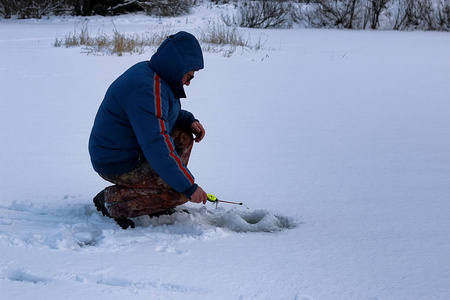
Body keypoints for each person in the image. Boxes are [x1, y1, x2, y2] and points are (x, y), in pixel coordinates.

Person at [88, 31, 207, 229]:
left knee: (183, 136)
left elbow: (160, 115)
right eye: (189, 77)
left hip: (128, 151)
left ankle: (155, 198)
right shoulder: (147, 89)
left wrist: (188, 120)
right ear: (178, 67)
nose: (187, 83)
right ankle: (114, 201)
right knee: (178, 193)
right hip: (116, 161)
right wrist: (188, 187)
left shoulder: (154, 75)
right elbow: (156, 145)